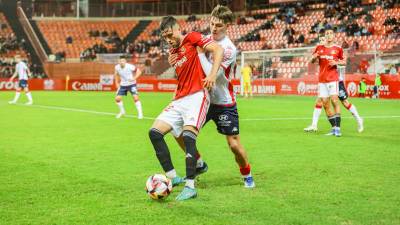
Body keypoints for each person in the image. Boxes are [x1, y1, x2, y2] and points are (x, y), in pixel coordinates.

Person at [169, 5, 255, 188]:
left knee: (233, 145)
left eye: (219, 26)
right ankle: (199, 163)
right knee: (177, 131)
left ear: (228, 26)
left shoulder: (229, 49)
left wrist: (200, 54)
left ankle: (247, 173)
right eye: (212, 24)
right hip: (202, 99)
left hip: (223, 101)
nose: (214, 28)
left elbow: (211, 76)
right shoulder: (205, 40)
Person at [148, 16, 223, 201]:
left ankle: (191, 187)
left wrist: (212, 75)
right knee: (154, 133)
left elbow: (218, 49)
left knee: (188, 136)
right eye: (164, 37)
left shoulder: (192, 37)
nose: (168, 39)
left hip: (198, 95)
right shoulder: (172, 53)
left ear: (177, 28)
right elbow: (182, 77)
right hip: (180, 99)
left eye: (169, 34)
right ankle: (174, 178)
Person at [307, 28, 345, 137]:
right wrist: (313, 58)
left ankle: (338, 128)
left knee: (334, 101)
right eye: (327, 33)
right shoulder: (319, 48)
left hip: (333, 79)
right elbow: (312, 61)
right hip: (322, 80)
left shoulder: (338, 48)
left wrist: (336, 62)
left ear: (333, 36)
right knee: (325, 105)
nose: (328, 35)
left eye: (330, 33)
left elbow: (343, 61)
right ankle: (333, 128)